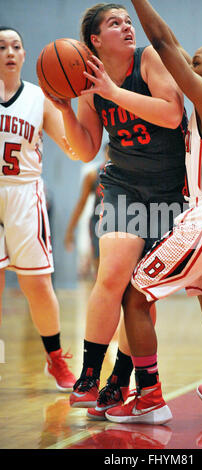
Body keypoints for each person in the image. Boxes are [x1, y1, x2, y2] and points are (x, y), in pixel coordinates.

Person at [104, 0, 202, 425]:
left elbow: (162, 41)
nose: (189, 56)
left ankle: (150, 399)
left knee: (134, 297)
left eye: (200, 57)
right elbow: (172, 45)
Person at [44, 3, 187, 418]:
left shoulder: (149, 59)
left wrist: (112, 91)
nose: (127, 27)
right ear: (94, 39)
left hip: (168, 190)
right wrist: (67, 110)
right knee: (111, 274)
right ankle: (91, 374)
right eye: (115, 23)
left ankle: (119, 379)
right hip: (123, 184)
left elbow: (172, 112)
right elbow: (86, 147)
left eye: (128, 21)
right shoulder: (87, 75)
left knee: (139, 292)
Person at [0, 27, 78, 390]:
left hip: (24, 196)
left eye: (16, 45)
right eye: (2, 47)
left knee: (38, 286)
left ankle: (55, 358)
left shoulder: (38, 97)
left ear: (25, 54)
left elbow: (71, 146)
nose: (9, 52)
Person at [64, 143, 109, 277]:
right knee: (99, 266)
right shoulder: (93, 176)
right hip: (98, 224)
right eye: (108, 153)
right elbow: (81, 204)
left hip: (120, 223)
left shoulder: (126, 175)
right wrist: (70, 231)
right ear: (104, 154)